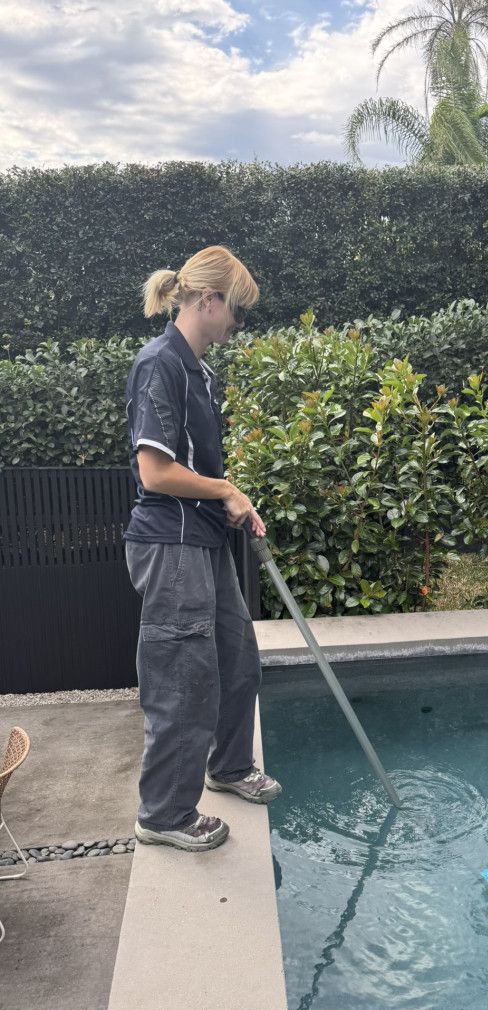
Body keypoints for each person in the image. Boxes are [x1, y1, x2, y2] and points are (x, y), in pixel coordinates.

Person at [124, 245, 280, 853]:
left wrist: (229, 502)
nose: (236, 324)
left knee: (238, 662)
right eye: (234, 311)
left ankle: (229, 767)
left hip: (203, 542)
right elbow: (156, 473)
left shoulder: (199, 369)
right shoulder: (159, 363)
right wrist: (226, 489)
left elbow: (193, 469)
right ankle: (162, 815)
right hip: (172, 548)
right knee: (184, 683)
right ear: (208, 301)